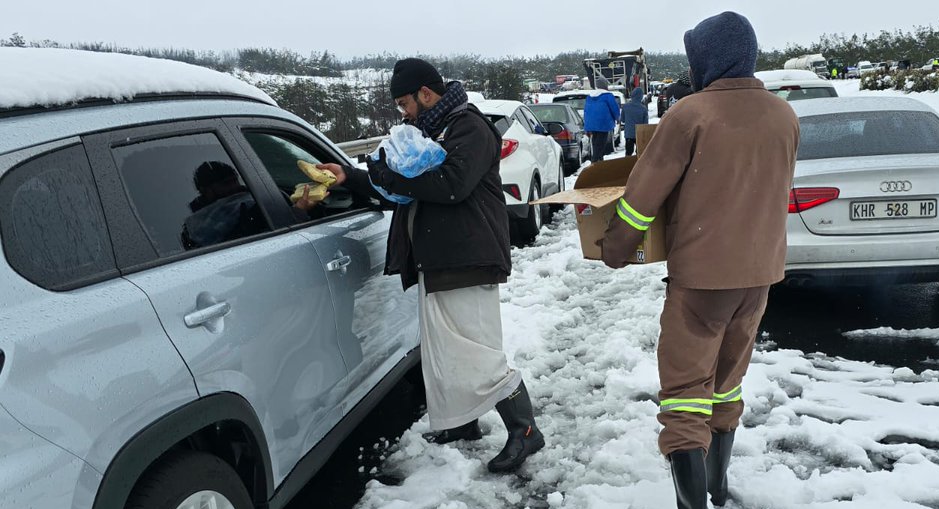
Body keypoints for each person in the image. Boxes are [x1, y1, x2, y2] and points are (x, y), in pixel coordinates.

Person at [599, 11, 799, 509]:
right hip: (759, 275)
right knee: (727, 380)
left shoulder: (692, 113)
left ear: (706, 58)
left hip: (701, 280)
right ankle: (715, 488)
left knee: (686, 390)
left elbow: (643, 195)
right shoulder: (784, 115)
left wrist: (617, 247)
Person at [316, 58, 545, 474]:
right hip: (441, 258)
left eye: (405, 102)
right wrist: (350, 177)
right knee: (445, 351)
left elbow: (450, 186)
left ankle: (525, 430)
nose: (403, 112)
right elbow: (403, 191)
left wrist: (386, 175)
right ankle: (462, 423)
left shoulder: (468, 127)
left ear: (426, 93)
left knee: (476, 351)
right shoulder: (428, 132)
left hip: (469, 257)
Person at [181, 160, 268, 249]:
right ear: (205, 190)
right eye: (226, 183)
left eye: (235, 180)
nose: (234, 187)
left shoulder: (254, 206)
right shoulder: (192, 228)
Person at [583, 75, 621, 162]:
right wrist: (617, 118)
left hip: (591, 124)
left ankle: (599, 160)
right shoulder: (608, 96)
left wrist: (586, 125)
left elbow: (586, 111)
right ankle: (596, 161)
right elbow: (614, 108)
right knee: (600, 145)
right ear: (605, 85)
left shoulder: (589, 96)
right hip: (603, 123)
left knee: (595, 143)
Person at [620, 86, 649, 156]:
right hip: (639, 134)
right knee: (639, 153)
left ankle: (627, 166)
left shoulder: (625, 107)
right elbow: (646, 124)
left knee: (628, 153)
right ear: (641, 97)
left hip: (629, 134)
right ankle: (638, 166)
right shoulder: (643, 108)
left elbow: (622, 120)